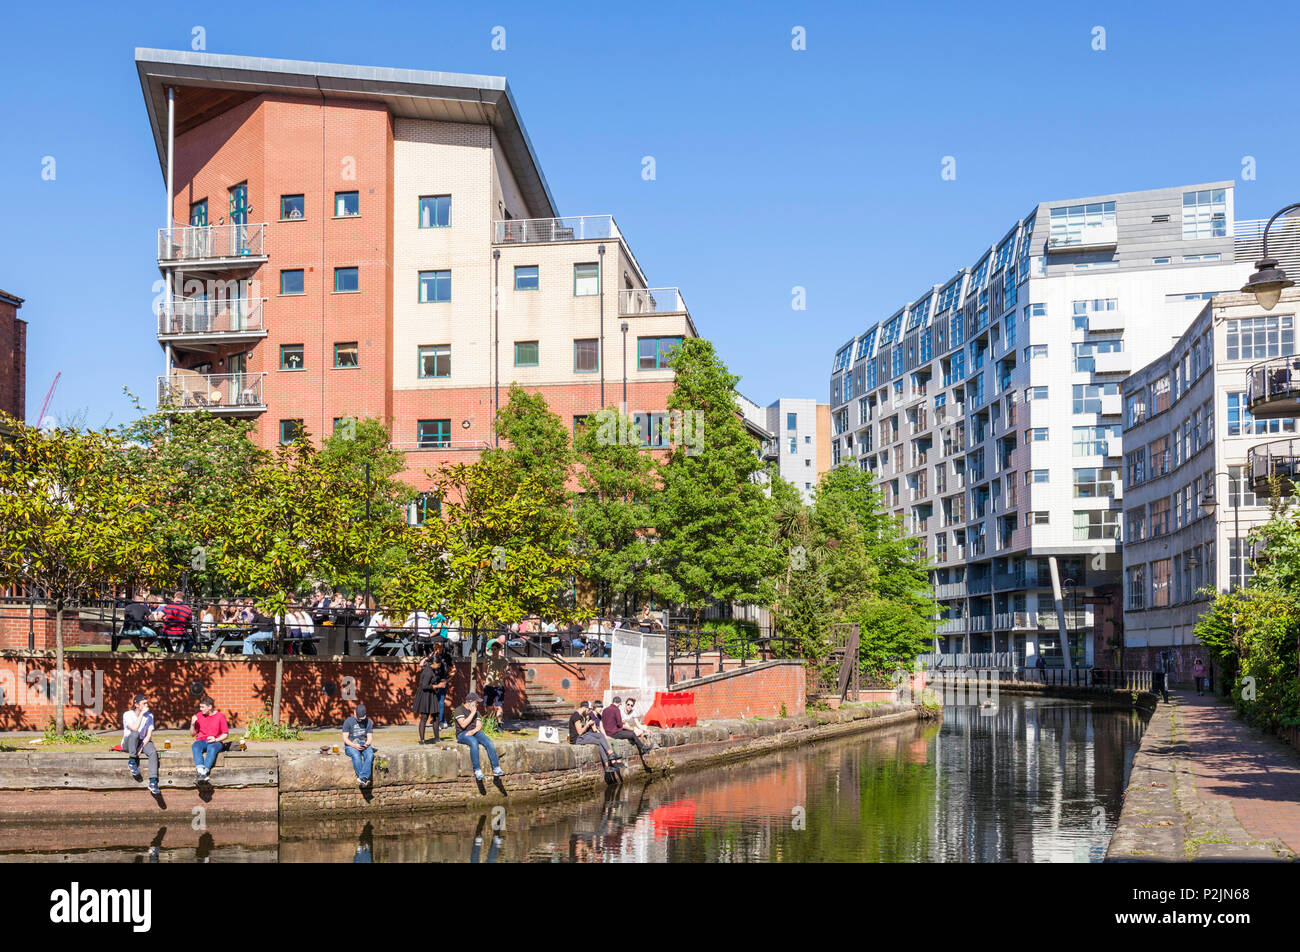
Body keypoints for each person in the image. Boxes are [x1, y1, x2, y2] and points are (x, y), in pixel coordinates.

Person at [454, 692, 503, 781]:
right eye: (476, 702)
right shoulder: (459, 710)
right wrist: (472, 713)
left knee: (488, 742)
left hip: (474, 732)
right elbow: (463, 725)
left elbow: (479, 726)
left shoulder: (476, 712)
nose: (477, 704)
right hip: (462, 734)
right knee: (474, 742)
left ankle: (496, 768)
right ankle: (477, 770)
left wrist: (473, 731)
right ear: (470, 702)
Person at [123, 694, 161, 795]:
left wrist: (140, 747)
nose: (146, 705)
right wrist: (141, 714)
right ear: (136, 704)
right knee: (135, 733)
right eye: (143, 704)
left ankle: (153, 782)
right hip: (129, 742)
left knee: (153, 752)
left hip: (142, 741)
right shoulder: (127, 714)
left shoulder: (150, 716)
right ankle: (132, 762)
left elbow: (148, 735)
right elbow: (135, 728)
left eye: (146, 703)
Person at [190, 696, 229, 781]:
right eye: (200, 707)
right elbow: (192, 734)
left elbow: (225, 734)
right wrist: (192, 724)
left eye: (202, 707)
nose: (201, 709)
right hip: (201, 740)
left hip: (215, 742)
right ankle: (200, 772)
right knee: (195, 746)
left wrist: (215, 739)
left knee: (212, 748)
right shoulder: (199, 716)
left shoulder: (220, 717)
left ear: (210, 707)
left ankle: (204, 772)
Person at [568, 700, 615, 770]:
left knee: (600, 736)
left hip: (583, 735)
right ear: (585, 708)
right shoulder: (576, 716)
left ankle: (610, 754)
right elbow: (580, 732)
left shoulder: (581, 715)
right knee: (599, 742)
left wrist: (588, 721)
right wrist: (587, 724)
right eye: (589, 710)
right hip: (577, 739)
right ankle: (607, 766)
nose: (589, 712)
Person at [414, 651, 450, 744]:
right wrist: (438, 686)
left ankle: (437, 738)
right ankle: (422, 740)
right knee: (424, 717)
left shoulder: (432, 669)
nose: (439, 666)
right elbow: (423, 686)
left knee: (436, 716)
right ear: (433, 663)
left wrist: (442, 682)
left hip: (431, 694)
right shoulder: (428, 672)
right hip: (425, 695)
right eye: (437, 664)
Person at [342, 703, 375, 787]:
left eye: (362, 718)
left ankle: (362, 778)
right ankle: (364, 778)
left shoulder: (368, 722)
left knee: (370, 755)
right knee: (356, 755)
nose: (360, 720)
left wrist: (366, 745)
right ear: (354, 712)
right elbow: (345, 738)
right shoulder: (348, 722)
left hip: (364, 744)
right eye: (359, 718)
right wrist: (354, 745)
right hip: (351, 744)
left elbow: (370, 737)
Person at [481, 637, 508, 722]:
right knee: (489, 706)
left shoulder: (503, 660)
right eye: (491, 649)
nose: (493, 651)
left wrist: (504, 675)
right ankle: (491, 723)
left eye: (494, 649)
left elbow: (507, 670)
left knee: (499, 706)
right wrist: (486, 679)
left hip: (499, 686)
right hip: (489, 685)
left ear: (499, 649)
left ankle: (499, 724)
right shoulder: (487, 659)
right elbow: (484, 671)